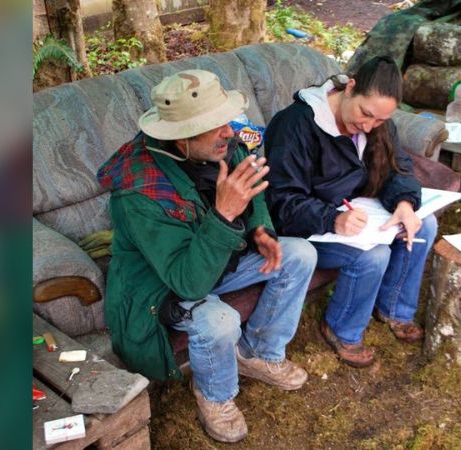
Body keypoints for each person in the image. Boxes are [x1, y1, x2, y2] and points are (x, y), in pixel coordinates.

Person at [96, 70, 316, 443]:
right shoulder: (140, 192)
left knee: (300, 254)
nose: (229, 132)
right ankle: (215, 397)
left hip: (219, 256)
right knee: (219, 320)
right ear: (181, 139)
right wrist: (224, 215)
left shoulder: (224, 144)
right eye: (214, 127)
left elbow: (254, 191)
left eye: (226, 121)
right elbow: (188, 282)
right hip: (162, 285)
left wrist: (261, 229)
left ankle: (258, 352)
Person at [263, 56, 437, 368]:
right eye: (365, 115)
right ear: (350, 87)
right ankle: (343, 328)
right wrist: (332, 218)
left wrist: (404, 204)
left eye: (379, 122)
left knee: (424, 224)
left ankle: (395, 308)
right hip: (306, 227)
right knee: (373, 255)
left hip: (356, 211)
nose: (369, 127)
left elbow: (399, 167)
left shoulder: (376, 121)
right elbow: (281, 201)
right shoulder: (296, 125)